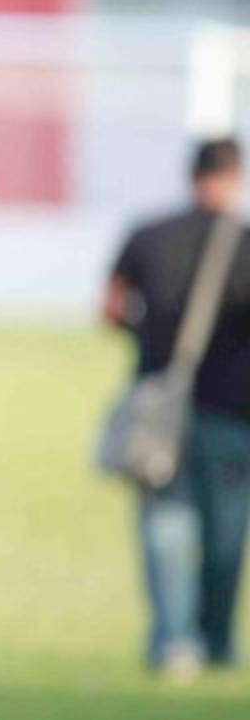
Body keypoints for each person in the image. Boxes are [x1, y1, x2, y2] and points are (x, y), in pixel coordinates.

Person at [104, 137, 250, 678]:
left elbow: (111, 306)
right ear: (234, 176)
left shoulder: (148, 236)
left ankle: (173, 643)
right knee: (226, 536)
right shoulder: (246, 244)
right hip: (232, 411)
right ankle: (218, 641)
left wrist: (148, 337)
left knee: (165, 528)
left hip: (158, 408)